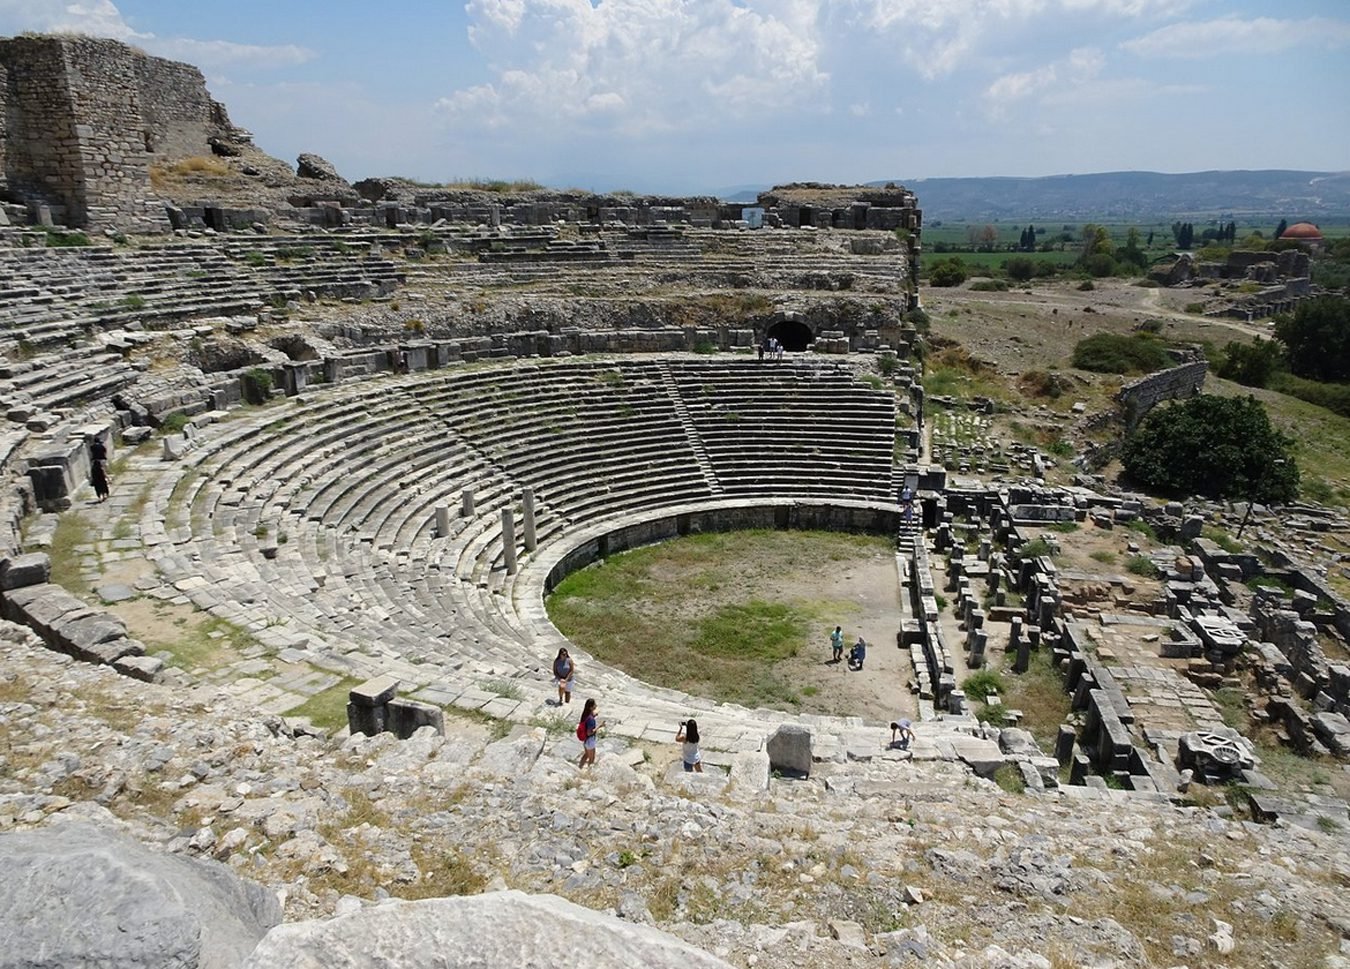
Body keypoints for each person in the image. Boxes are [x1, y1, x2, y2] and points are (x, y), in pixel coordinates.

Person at [577, 698, 605, 769]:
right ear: (591, 707)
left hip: (586, 740)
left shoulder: (585, 715)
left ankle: (580, 767)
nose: (596, 705)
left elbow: (590, 716)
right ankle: (589, 772)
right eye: (594, 705)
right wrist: (599, 726)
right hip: (590, 741)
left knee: (586, 755)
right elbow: (589, 733)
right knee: (591, 759)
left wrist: (594, 715)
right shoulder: (591, 720)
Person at [89, 437, 110, 502]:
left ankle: (100, 496)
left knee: (98, 485)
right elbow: (105, 452)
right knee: (103, 473)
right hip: (102, 460)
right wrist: (108, 478)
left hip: (95, 460)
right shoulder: (102, 446)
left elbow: (91, 453)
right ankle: (105, 494)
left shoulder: (92, 447)